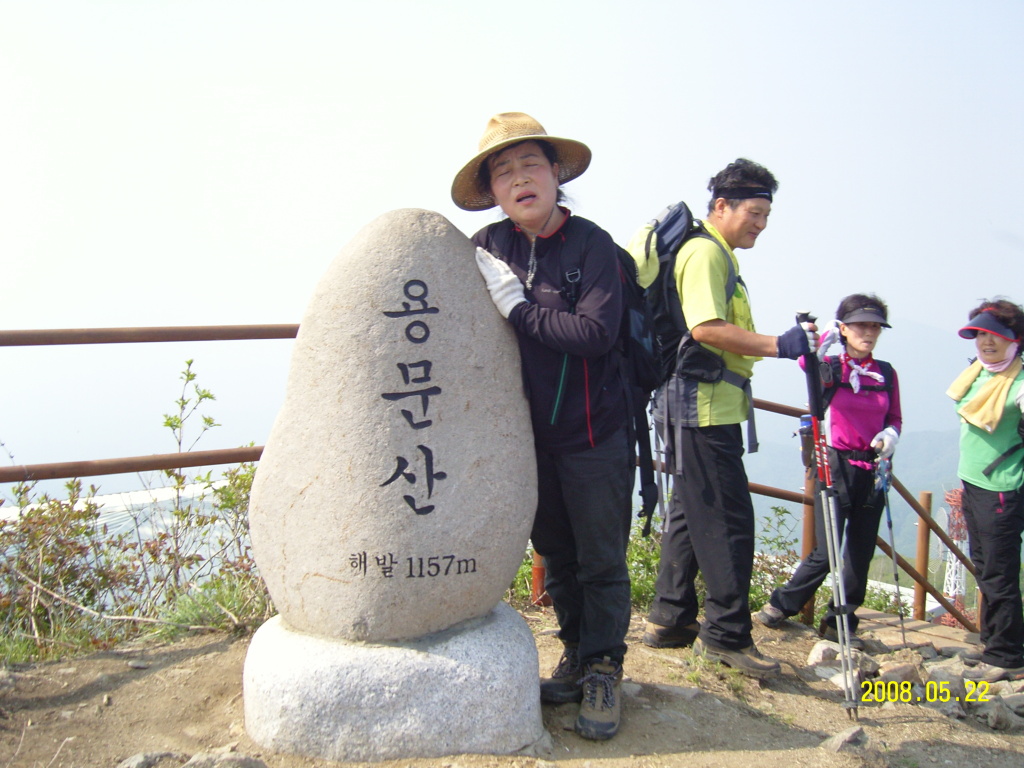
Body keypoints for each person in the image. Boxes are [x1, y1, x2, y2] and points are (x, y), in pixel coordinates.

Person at [451, 112, 633, 740]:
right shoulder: (485, 249)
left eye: (530, 164)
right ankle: (579, 653)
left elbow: (594, 334)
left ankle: (607, 668)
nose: (518, 179)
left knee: (600, 558)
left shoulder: (592, 245)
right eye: (503, 172)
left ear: (556, 173)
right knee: (556, 553)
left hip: (594, 434)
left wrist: (519, 309)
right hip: (525, 443)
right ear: (493, 191)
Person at [637, 158, 816, 678]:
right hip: (702, 405)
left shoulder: (716, 254)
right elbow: (707, 329)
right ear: (722, 207)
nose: (760, 224)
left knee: (693, 514)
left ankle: (670, 618)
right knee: (729, 522)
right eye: (754, 213)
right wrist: (781, 345)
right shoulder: (705, 255)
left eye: (766, 215)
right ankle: (727, 636)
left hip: (699, 401)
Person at [756, 294, 902, 649]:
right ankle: (781, 603)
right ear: (844, 329)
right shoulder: (832, 367)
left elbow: (894, 417)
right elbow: (808, 368)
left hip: (873, 469)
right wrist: (821, 343)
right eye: (860, 325)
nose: (868, 332)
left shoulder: (885, 372)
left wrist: (890, 435)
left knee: (860, 552)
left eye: (874, 326)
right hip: (833, 464)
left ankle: (842, 620)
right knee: (828, 550)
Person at [947, 299, 1024, 683]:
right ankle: (993, 641)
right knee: (984, 566)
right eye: (979, 333)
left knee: (999, 571)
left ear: (1016, 339)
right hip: (974, 482)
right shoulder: (979, 372)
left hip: (1003, 489)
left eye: (995, 334)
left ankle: (1008, 655)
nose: (985, 341)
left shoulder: (1020, 381)